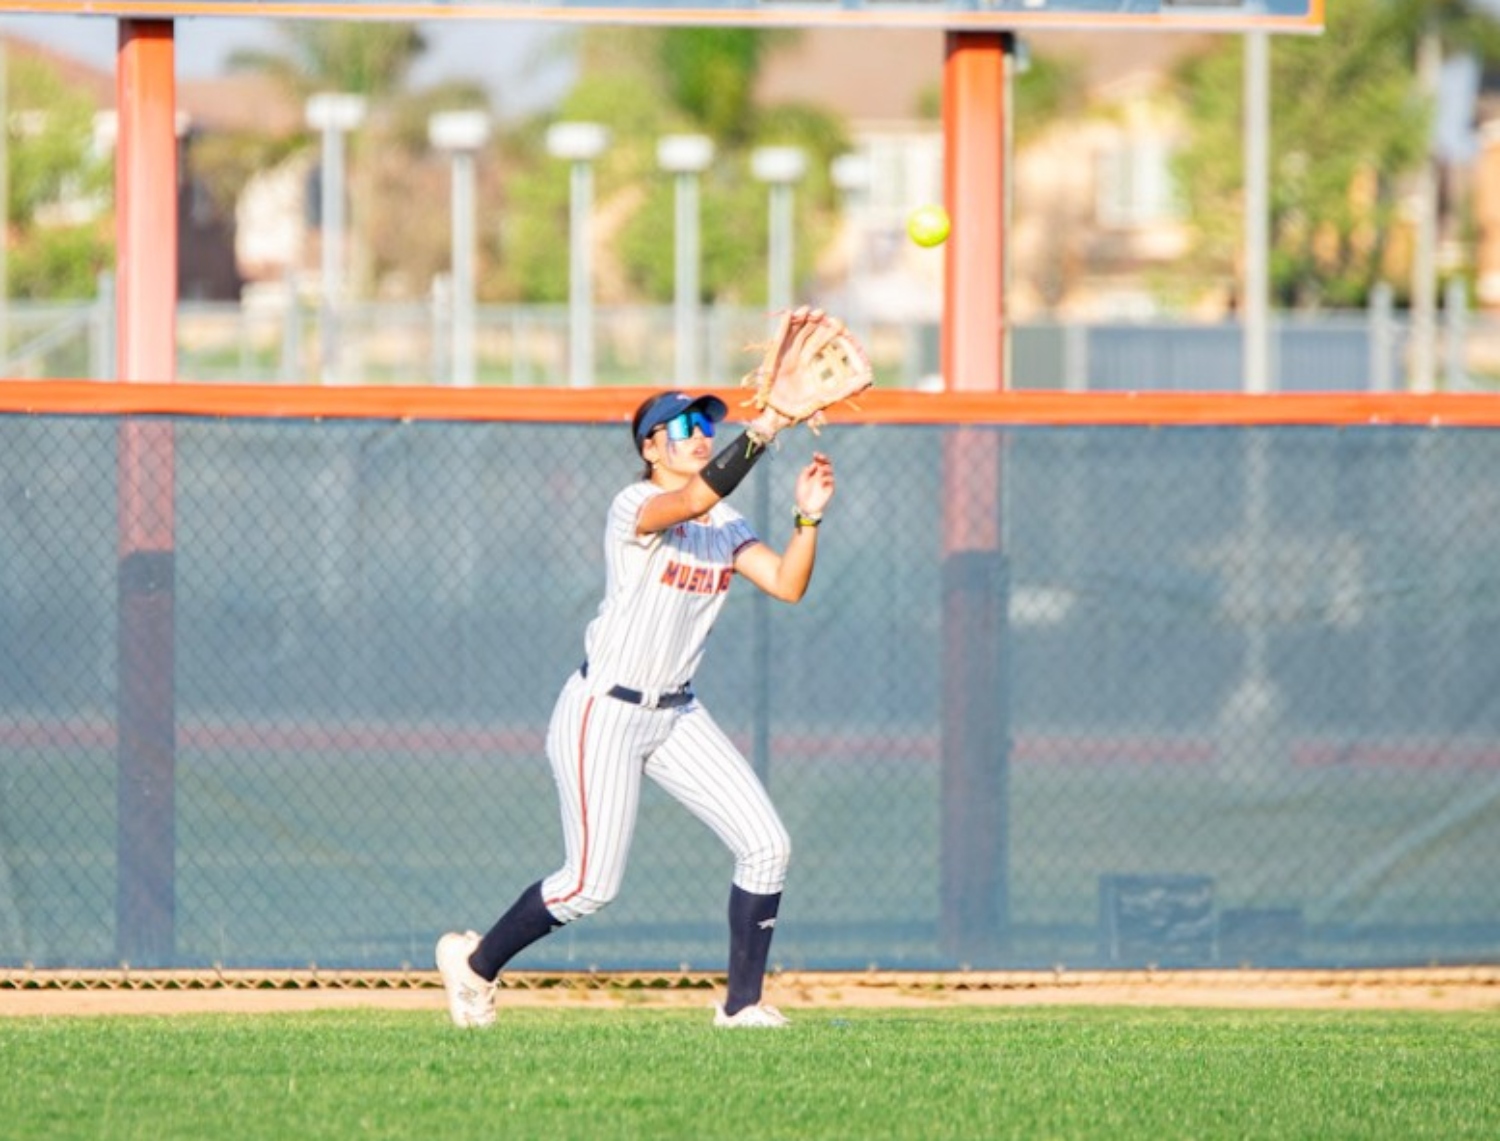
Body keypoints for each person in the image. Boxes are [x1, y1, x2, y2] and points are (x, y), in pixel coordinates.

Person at [436, 383, 835, 1030]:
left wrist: (807, 518)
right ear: (650, 447)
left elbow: (787, 584)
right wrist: (765, 426)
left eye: (705, 424)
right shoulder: (636, 504)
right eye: (681, 427)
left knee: (766, 844)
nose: (699, 434)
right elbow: (695, 496)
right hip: (605, 711)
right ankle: (476, 964)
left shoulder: (726, 526)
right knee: (590, 884)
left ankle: (742, 1006)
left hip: (676, 713)